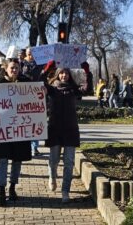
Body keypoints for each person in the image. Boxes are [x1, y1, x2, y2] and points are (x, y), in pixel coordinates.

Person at [43, 61, 91, 203]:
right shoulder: (51, 89)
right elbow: (39, 81)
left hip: (70, 129)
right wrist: (47, 68)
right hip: (55, 129)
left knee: (69, 162)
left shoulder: (73, 89)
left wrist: (86, 72)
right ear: (58, 74)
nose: (64, 75)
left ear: (69, 75)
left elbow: (87, 89)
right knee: (54, 160)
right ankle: (52, 176)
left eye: (66, 73)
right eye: (61, 73)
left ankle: (65, 191)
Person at [0, 58, 33, 206]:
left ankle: (12, 188)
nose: (14, 70)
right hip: (2, 129)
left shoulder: (27, 83)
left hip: (20, 128)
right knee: (2, 160)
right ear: (5, 68)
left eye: (16, 68)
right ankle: (1, 191)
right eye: (12, 68)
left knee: (17, 160)